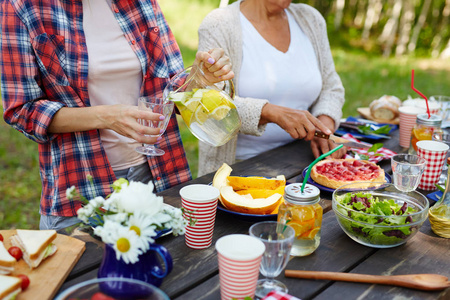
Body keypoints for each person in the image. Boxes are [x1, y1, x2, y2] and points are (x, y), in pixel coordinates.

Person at [0, 0, 233, 230]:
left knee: (171, 266)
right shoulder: (22, 6)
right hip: (82, 185)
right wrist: (107, 117)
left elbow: (171, 90)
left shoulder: (141, 3)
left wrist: (200, 78)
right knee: (85, 268)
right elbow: (22, 110)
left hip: (157, 177)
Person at [197, 0, 346, 176]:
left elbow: (331, 87)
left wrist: (324, 125)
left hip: (304, 162)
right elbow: (210, 104)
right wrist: (271, 113)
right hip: (237, 169)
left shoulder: (310, 19)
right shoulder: (219, 23)